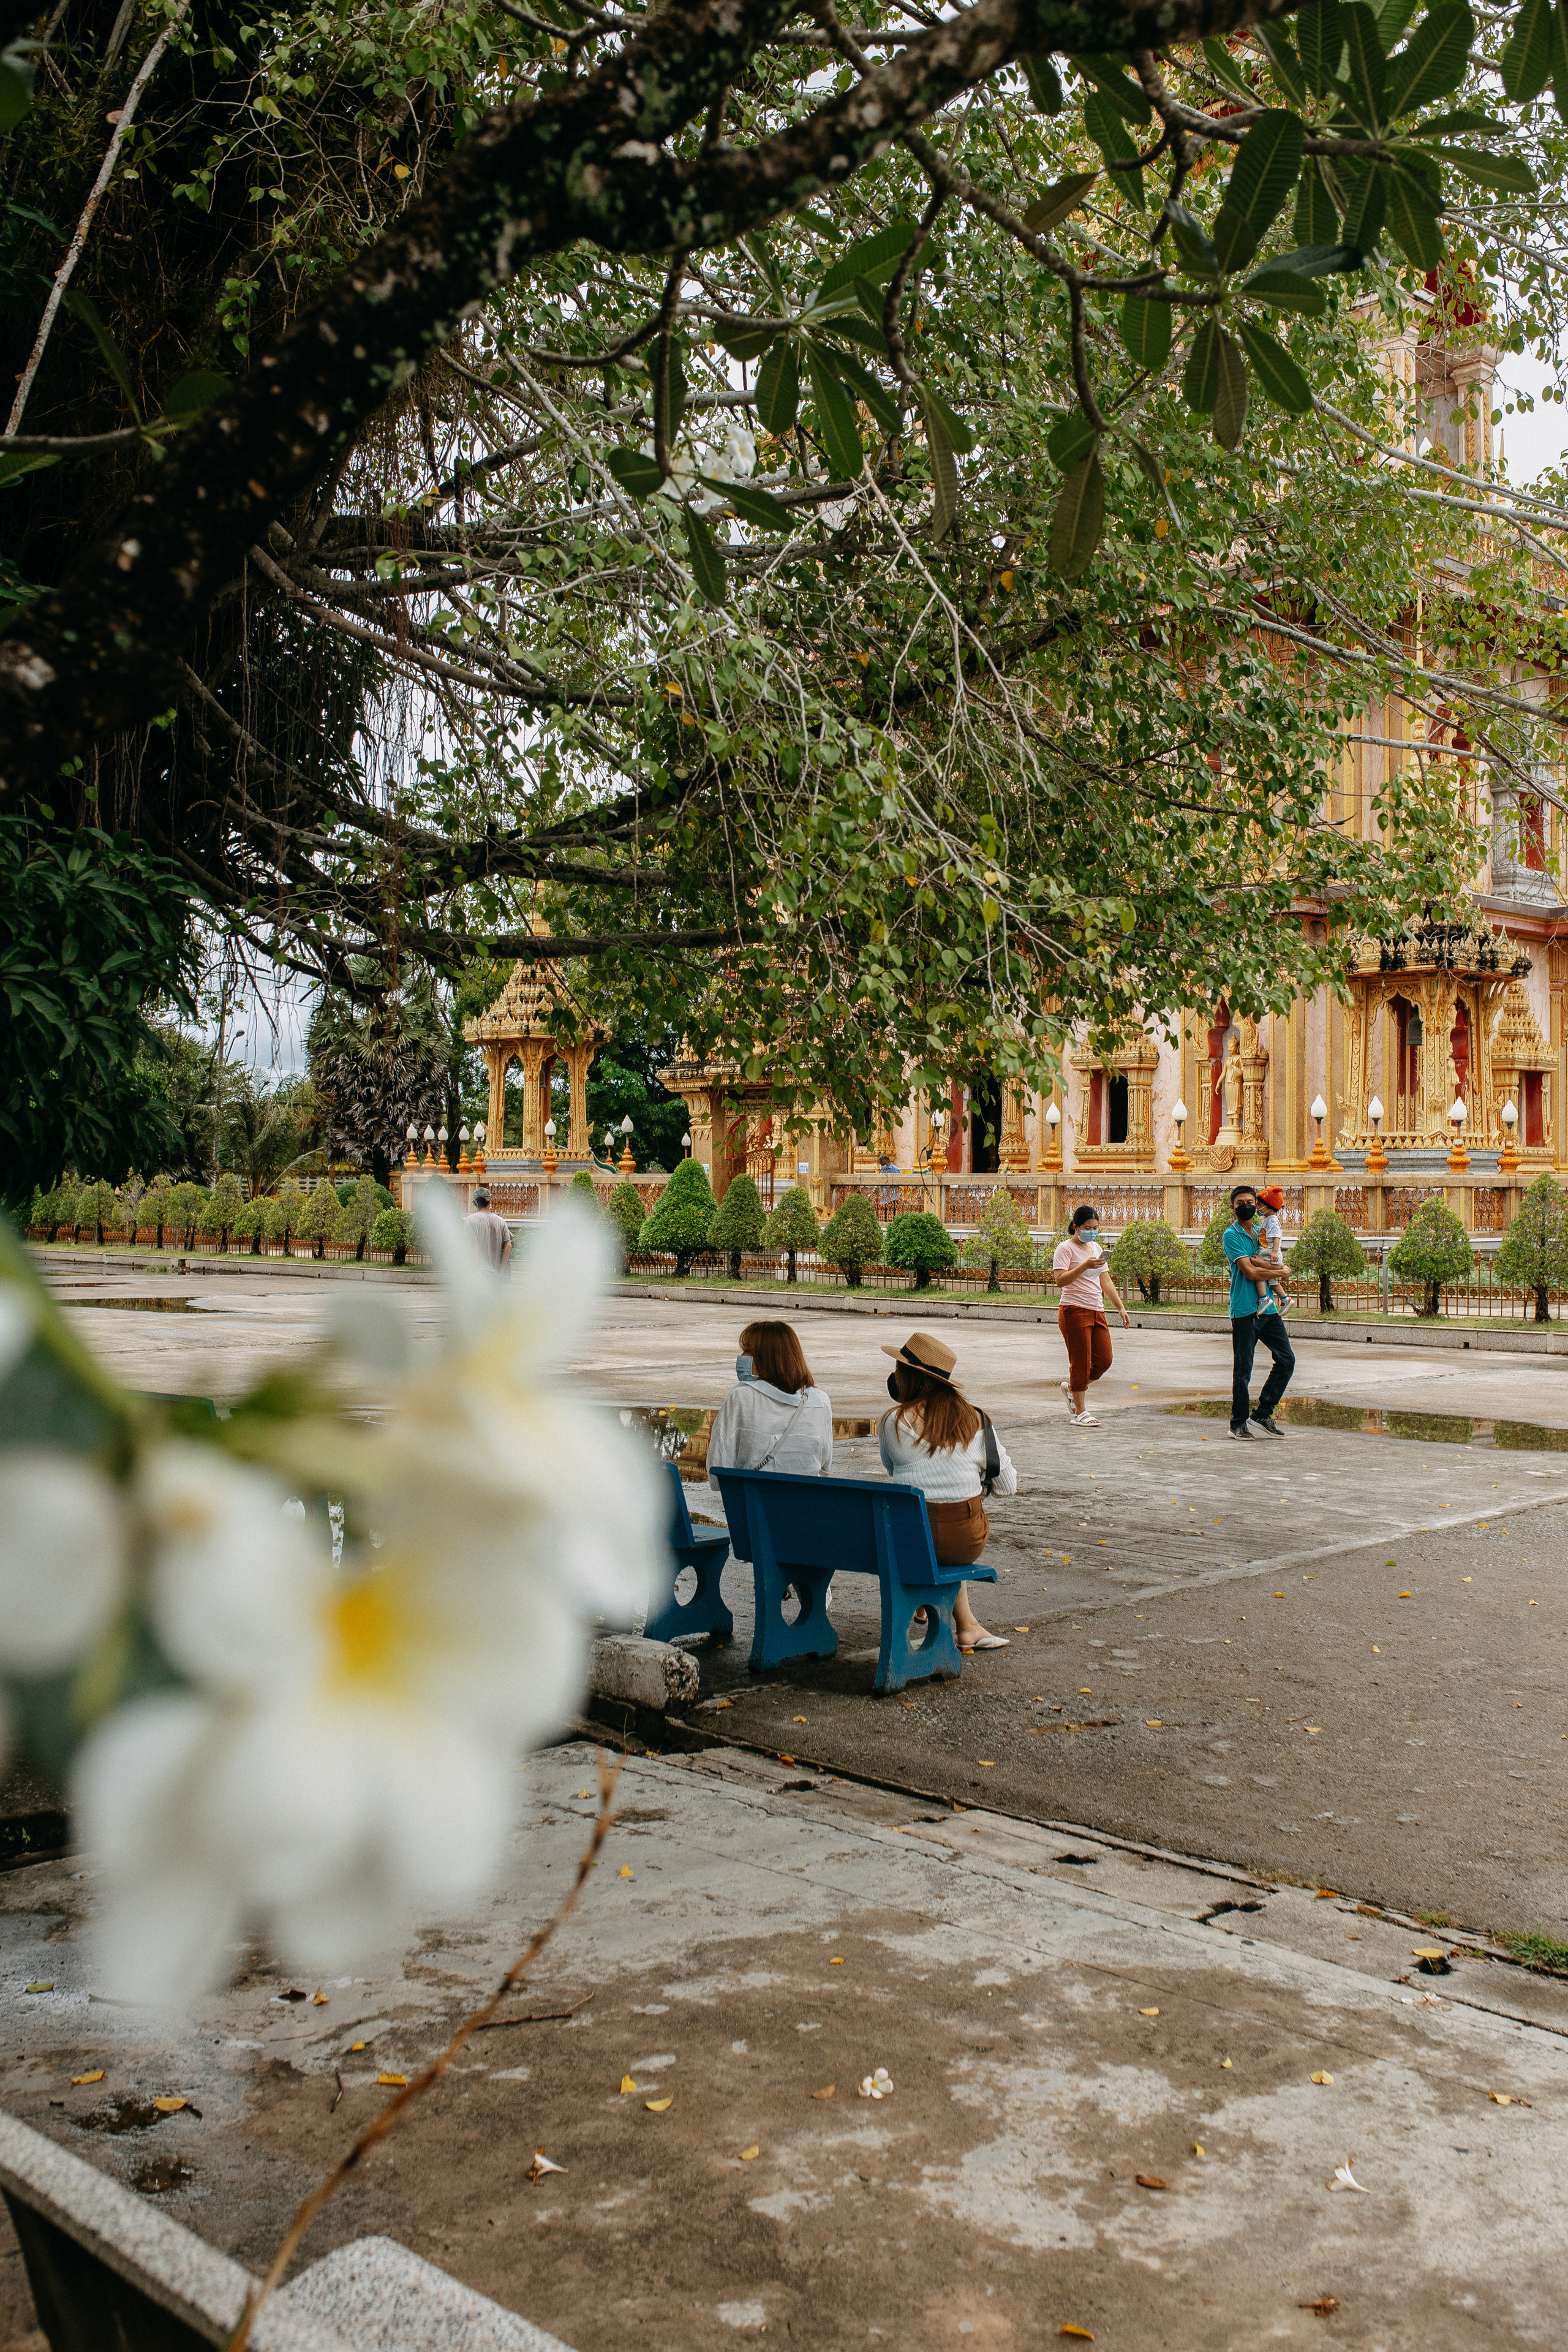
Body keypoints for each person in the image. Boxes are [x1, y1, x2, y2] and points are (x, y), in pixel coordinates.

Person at [877, 1332, 1017, 1653]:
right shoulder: (975, 1420)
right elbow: (1008, 1487)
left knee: (924, 1528)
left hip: (908, 1541)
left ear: (907, 1377)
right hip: (965, 1541)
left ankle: (926, 1603)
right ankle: (967, 1627)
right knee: (943, 1535)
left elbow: (894, 1471)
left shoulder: (891, 1422)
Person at [706, 1321, 835, 1483]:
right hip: (805, 1504)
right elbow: (825, 1465)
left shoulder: (741, 1397)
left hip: (752, 1503)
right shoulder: (821, 1401)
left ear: (767, 1358)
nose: (742, 1358)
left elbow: (717, 1468)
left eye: (747, 1351)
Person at [1046, 1204, 1130, 1427]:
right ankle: (1080, 1412)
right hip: (1074, 1309)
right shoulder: (1065, 1249)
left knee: (1104, 1360)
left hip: (1096, 1308)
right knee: (1081, 1361)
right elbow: (1060, 1280)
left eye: (1095, 1227)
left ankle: (1074, 1389)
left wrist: (1120, 1307)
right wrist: (1084, 1266)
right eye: (1087, 1227)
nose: (1091, 1231)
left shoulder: (1096, 1248)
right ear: (1076, 1227)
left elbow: (1105, 1280)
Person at [1223, 1183, 1295, 1439]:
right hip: (1245, 1310)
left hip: (1268, 1310)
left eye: (1251, 1201)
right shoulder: (1231, 1235)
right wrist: (1280, 1272)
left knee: (1287, 1360)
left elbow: (1266, 1259)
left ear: (1258, 1204)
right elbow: (1250, 1271)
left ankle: (1263, 1413)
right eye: (1241, 1202)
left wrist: (1275, 1266)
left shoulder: (1260, 1231)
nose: (1247, 1206)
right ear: (1233, 1207)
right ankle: (1238, 1423)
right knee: (1244, 1370)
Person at [1256, 1185, 1289, 1315]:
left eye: (1260, 1205)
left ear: (1268, 1206)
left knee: (1259, 1274)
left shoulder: (1273, 1220)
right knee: (1271, 1280)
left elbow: (1276, 1236)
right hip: (1269, 1253)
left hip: (1269, 1254)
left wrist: (1274, 1252)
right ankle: (1284, 1299)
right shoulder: (1268, 1219)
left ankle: (1263, 1299)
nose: (1258, 1208)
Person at [465, 1185, 512, 1271]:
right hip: (496, 1275)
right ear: (490, 1202)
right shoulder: (500, 1220)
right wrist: (502, 1271)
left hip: (480, 1274)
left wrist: (472, 1271)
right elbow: (508, 1245)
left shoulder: (471, 1220)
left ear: (474, 1203)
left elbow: (473, 1246)